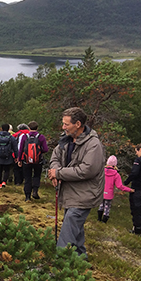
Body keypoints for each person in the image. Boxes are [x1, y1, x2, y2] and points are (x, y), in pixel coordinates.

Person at [48, 107, 105, 256]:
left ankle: (58, 262)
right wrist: (54, 173)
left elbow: (87, 170)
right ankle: (80, 257)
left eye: (66, 124)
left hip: (85, 193)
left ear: (78, 124)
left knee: (70, 223)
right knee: (74, 226)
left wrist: (59, 173)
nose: (63, 127)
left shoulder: (93, 144)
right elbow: (55, 157)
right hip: (70, 192)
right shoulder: (65, 140)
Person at [124, 140, 141, 235]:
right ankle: (139, 227)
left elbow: (134, 173)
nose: (136, 154)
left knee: (136, 209)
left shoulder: (139, 161)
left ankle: (137, 229)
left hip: (137, 189)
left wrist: (126, 182)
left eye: (137, 151)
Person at [18, 121, 49, 201]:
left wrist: (19, 159)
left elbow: (21, 149)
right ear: (37, 128)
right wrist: (39, 152)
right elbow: (45, 149)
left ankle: (27, 196)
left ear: (29, 128)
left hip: (26, 160)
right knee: (36, 176)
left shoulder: (25, 137)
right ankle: (35, 191)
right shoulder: (41, 137)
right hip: (38, 161)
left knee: (27, 177)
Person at [99, 155, 133, 224]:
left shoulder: (101, 171)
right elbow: (119, 186)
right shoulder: (116, 175)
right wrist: (129, 190)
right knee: (107, 207)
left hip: (101, 192)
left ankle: (99, 218)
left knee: (101, 205)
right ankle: (104, 220)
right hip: (109, 193)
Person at [0, 123, 18, 188]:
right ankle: (4, 181)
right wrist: (16, 157)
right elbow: (15, 148)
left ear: (1, 129)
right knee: (7, 170)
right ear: (8, 129)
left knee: (0, 170)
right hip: (8, 156)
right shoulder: (11, 138)